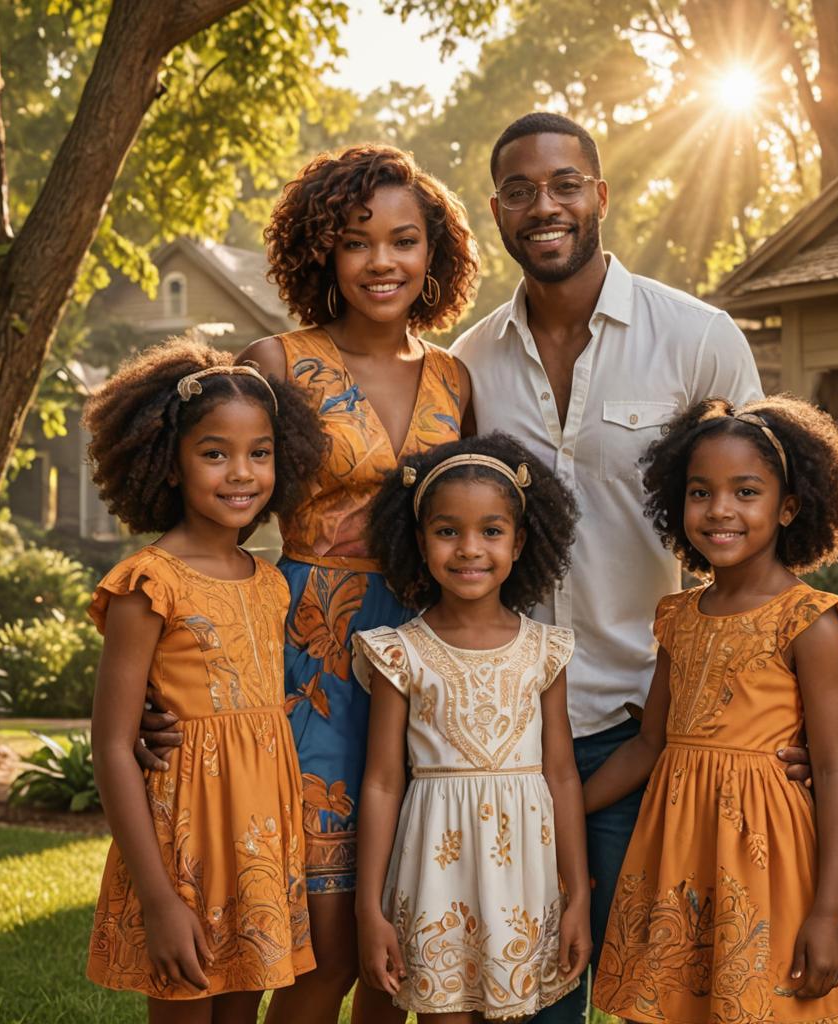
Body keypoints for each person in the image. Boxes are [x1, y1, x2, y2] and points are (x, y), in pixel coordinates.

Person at [450, 111, 812, 1022]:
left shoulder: (698, 339)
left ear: (600, 195)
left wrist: (789, 710)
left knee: (685, 993)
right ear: (496, 210)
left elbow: (761, 516)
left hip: (651, 730)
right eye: (522, 191)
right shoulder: (464, 367)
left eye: (566, 184)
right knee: (522, 998)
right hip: (502, 733)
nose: (547, 206)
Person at [138, 144, 480, 1024]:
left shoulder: (454, 378)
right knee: (314, 947)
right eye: (358, 241)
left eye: (404, 241)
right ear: (322, 250)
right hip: (300, 668)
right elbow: (212, 526)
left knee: (396, 940)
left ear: (432, 254)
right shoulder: (280, 361)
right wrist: (156, 675)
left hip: (422, 661)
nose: (383, 262)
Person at [588, 396, 838, 1023]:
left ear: (788, 508)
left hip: (769, 858)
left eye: (745, 492)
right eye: (701, 492)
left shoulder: (809, 621)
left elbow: (834, 770)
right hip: (679, 853)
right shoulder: (678, 617)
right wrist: (560, 808)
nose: (721, 510)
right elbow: (651, 744)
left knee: (764, 1003)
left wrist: (828, 910)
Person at [82, 339, 328, 1022]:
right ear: (168, 462)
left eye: (260, 453)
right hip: (183, 846)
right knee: (187, 1003)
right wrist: (160, 900)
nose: (240, 473)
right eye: (214, 453)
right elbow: (111, 746)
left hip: (257, 842)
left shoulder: (272, 582)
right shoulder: (148, 584)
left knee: (242, 1007)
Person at [352, 433, 592, 1023]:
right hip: (435, 871)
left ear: (520, 542)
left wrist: (578, 893)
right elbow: (383, 783)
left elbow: (561, 775)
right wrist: (368, 908)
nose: (469, 550)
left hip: (525, 879)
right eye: (447, 531)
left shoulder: (546, 651)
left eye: (491, 531)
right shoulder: (399, 654)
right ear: (419, 541)